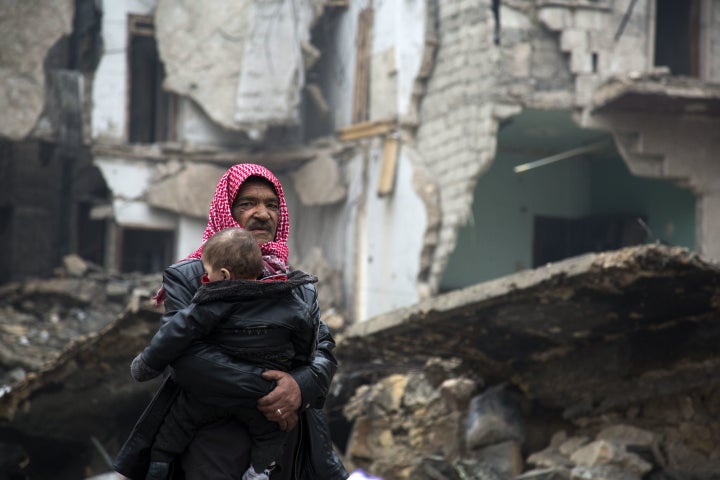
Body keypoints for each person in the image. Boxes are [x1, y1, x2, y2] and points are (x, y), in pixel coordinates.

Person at [114, 163, 348, 480]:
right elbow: (187, 359)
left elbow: (322, 348)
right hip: (214, 438)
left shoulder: (295, 282)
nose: (262, 214)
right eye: (247, 203)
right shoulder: (191, 277)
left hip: (285, 436)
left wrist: (299, 386)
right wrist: (274, 389)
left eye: (271, 205)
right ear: (226, 211)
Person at [130, 227, 320, 480]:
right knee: (273, 434)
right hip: (263, 400)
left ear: (224, 275)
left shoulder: (212, 301)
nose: (204, 279)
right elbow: (308, 341)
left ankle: (159, 464)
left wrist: (147, 364)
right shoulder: (288, 297)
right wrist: (293, 374)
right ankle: (260, 471)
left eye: (207, 274)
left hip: (209, 396)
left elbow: (176, 335)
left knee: (176, 421)